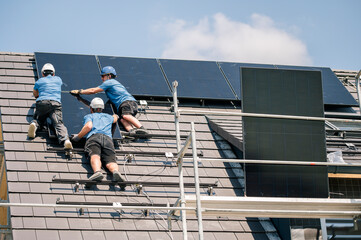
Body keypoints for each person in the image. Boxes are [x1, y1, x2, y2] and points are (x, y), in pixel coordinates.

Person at [70, 66, 147, 134]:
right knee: (122, 120)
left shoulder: (109, 82)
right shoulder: (112, 84)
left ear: (109, 76)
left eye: (103, 76)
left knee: (125, 115)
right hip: (122, 105)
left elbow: (93, 90)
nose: (102, 78)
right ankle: (132, 131)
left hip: (127, 102)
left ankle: (141, 128)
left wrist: (81, 91)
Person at [71, 97, 124, 181]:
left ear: (91, 108)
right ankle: (115, 171)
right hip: (108, 140)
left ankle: (97, 172)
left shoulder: (89, 116)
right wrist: (116, 116)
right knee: (110, 160)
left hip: (94, 137)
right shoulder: (108, 117)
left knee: (95, 155)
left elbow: (88, 126)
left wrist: (78, 137)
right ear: (102, 109)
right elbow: (115, 119)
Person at [28, 63, 73, 149]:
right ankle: (66, 140)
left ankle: (34, 124)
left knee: (39, 119)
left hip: (42, 103)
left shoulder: (39, 81)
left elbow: (35, 93)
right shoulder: (58, 80)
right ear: (53, 73)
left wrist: (39, 96)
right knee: (58, 123)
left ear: (42, 73)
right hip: (55, 104)